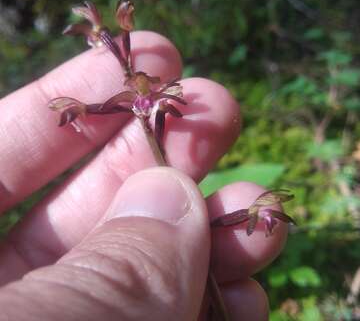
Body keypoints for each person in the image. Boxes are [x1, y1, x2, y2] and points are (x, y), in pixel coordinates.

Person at [0, 31, 287, 320]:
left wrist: (151, 103)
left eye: (144, 87)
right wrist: (87, 108)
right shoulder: (131, 100)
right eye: (136, 87)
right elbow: (119, 103)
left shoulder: (154, 98)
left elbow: (161, 98)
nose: (140, 91)